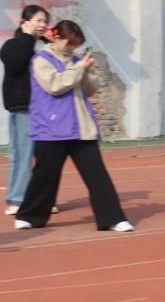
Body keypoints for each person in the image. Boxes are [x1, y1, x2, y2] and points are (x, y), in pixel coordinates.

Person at [15, 20, 132, 232]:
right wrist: (78, 69)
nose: (72, 48)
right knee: (45, 176)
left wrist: (87, 71)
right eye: (69, 43)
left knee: (97, 175)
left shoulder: (76, 61)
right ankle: (30, 216)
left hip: (80, 128)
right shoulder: (41, 59)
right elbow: (55, 85)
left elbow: (89, 89)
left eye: (75, 45)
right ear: (56, 37)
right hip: (51, 129)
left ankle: (113, 218)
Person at [2, 5, 48, 216]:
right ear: (24, 22)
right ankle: (18, 198)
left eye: (45, 21)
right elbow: (16, 64)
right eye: (38, 20)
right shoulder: (13, 45)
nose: (42, 25)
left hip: (47, 109)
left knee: (47, 157)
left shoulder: (44, 47)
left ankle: (43, 200)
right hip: (24, 109)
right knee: (22, 155)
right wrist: (28, 37)